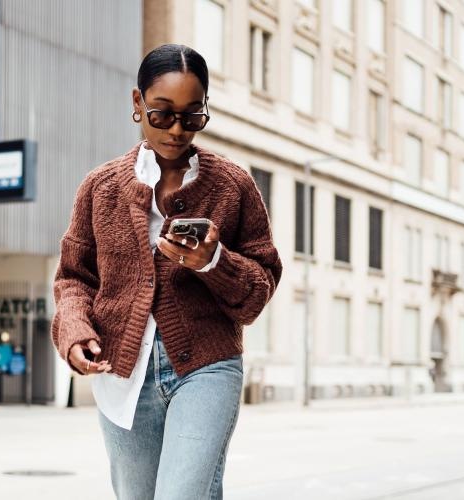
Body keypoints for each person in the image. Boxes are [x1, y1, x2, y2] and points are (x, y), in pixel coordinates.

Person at [51, 43, 282, 500]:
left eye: (193, 116)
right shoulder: (100, 188)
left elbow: (260, 286)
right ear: (137, 103)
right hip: (123, 372)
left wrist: (214, 263)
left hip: (206, 366)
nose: (178, 130)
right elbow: (73, 278)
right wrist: (75, 332)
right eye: (162, 114)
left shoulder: (233, 185)